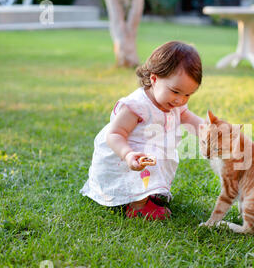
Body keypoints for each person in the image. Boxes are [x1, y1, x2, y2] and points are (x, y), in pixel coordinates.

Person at [80, 41, 204, 220]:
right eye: (176, 91)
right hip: (125, 155)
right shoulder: (137, 106)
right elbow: (114, 134)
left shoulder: (173, 103)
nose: (180, 100)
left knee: (155, 158)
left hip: (150, 152)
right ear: (154, 79)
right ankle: (138, 207)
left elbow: (187, 117)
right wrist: (128, 155)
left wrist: (208, 130)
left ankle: (147, 191)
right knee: (148, 159)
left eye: (188, 94)